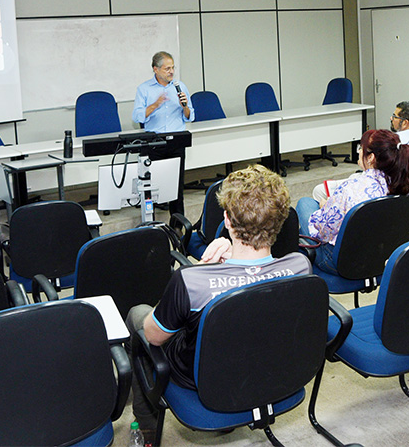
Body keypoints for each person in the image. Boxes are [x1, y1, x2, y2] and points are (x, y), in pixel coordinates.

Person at [128, 165, 310, 443]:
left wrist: (204, 268)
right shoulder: (301, 268)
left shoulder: (190, 281)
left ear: (226, 219)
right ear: (280, 220)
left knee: (138, 315)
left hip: (202, 384)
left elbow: (154, 336)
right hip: (276, 376)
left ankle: (148, 426)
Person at [296, 129, 409, 273]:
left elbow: (322, 232)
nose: (359, 152)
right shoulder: (400, 186)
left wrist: (324, 210)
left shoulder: (351, 188)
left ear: (371, 158)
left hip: (343, 264)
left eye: (361, 148)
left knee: (305, 203)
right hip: (384, 258)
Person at [132, 50, 195, 215]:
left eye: (173, 67)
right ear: (156, 69)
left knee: (177, 186)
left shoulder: (180, 87)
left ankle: (177, 224)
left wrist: (185, 107)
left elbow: (190, 117)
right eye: (167, 68)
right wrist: (155, 105)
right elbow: (137, 116)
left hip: (177, 140)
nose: (172, 72)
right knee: (150, 186)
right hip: (154, 142)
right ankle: (151, 222)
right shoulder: (144, 89)